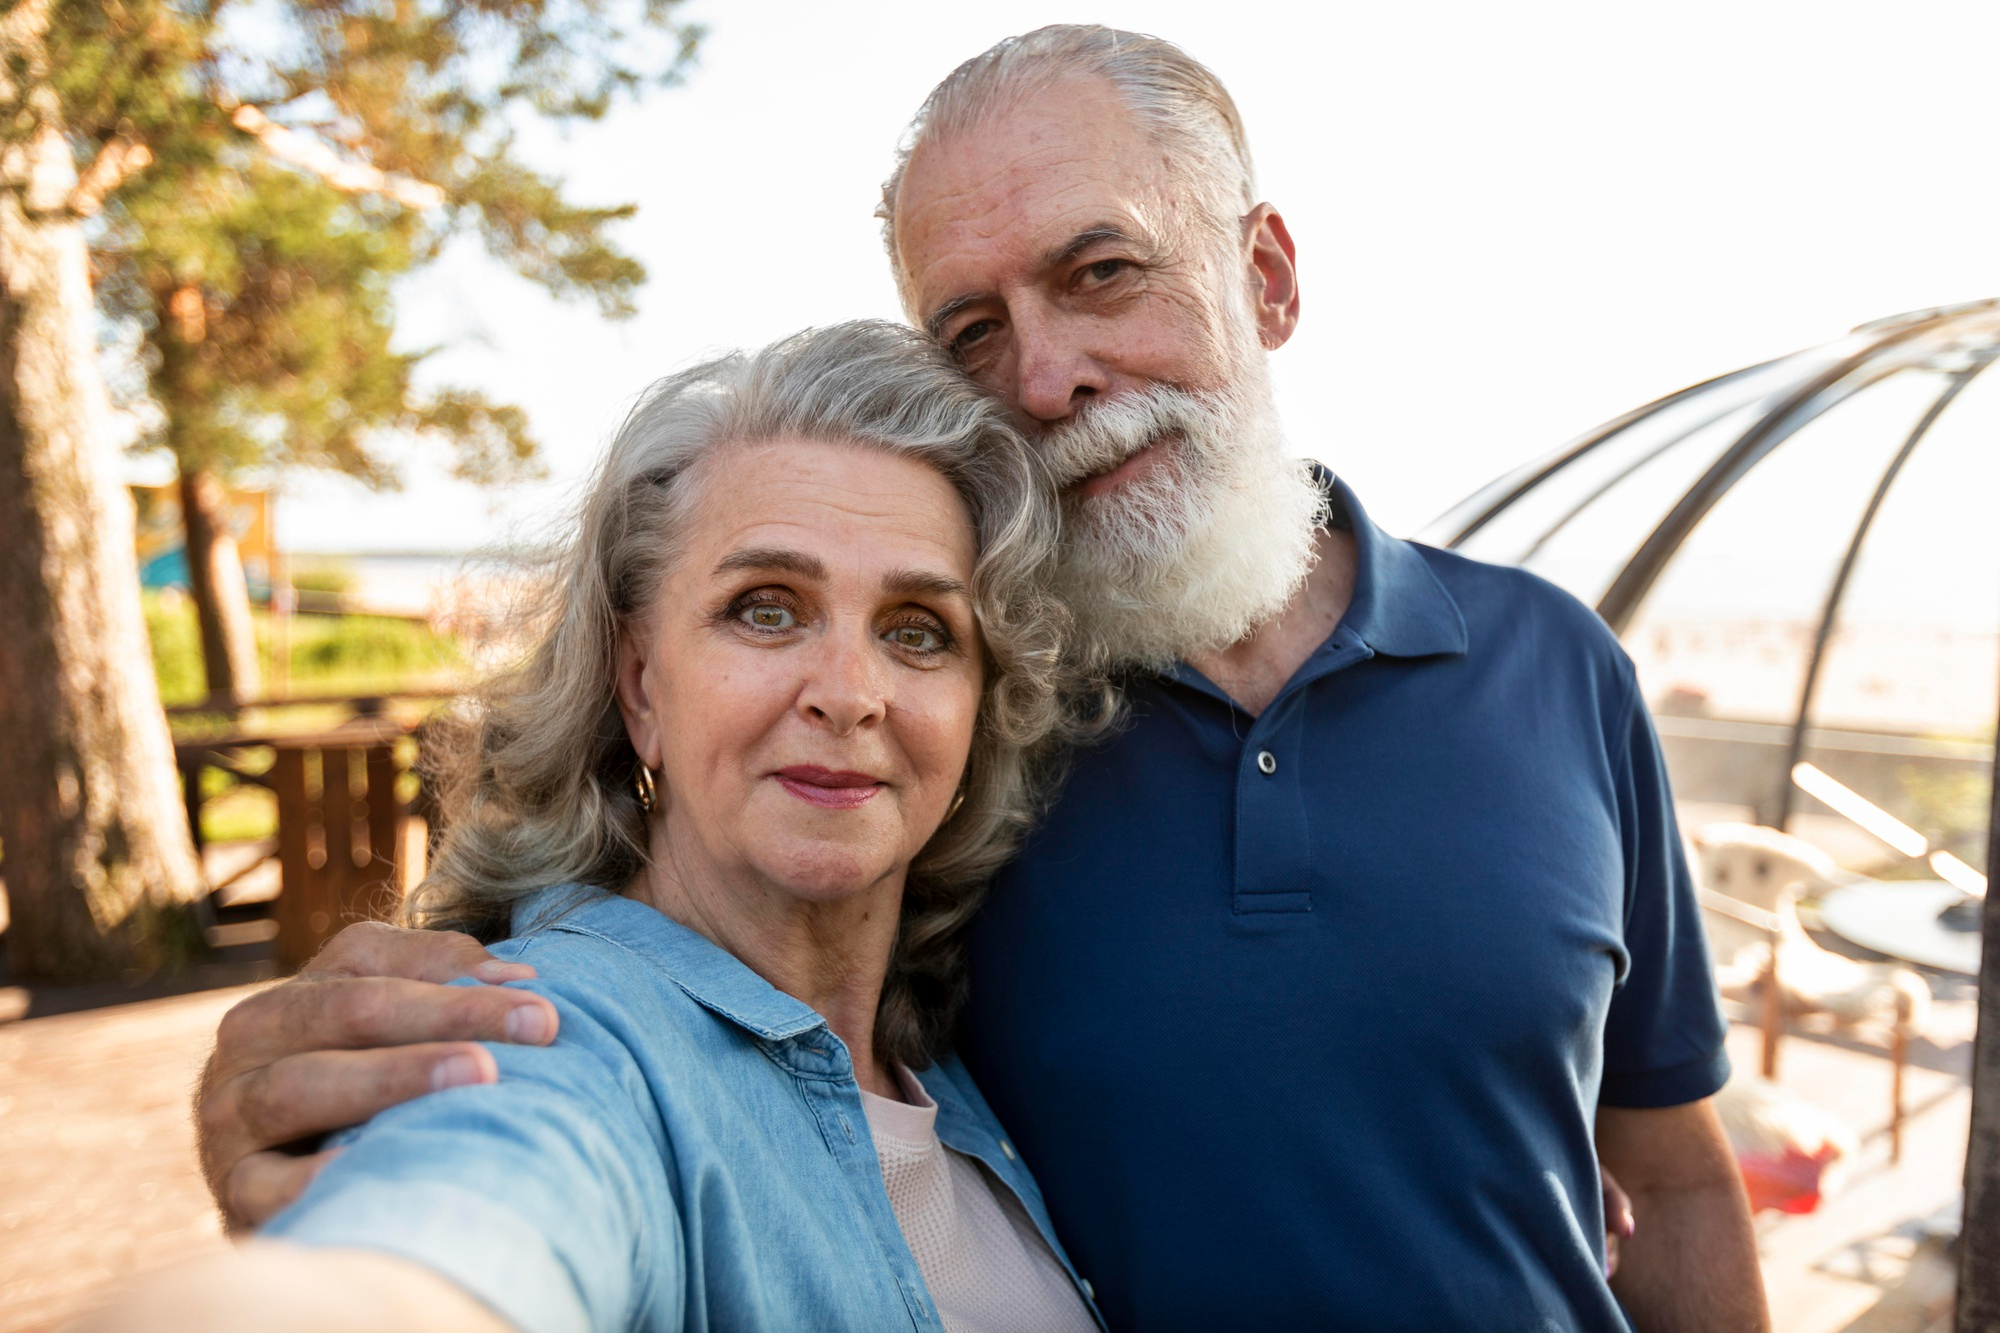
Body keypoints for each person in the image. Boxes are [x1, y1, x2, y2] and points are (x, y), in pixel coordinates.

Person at [193, 27, 1769, 1332]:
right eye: (971, 327)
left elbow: (1677, 1174)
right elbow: (629, 1031)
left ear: (1267, 277)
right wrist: (338, 1093)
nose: (1044, 374)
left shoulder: (1560, 665)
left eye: (1101, 274)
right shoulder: (956, 750)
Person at [93, 322, 1104, 1331]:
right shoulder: (553, 1040)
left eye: (916, 630)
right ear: (638, 686)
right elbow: (461, 1224)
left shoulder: (953, 1056)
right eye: (765, 608)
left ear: (978, 706)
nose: (849, 693)